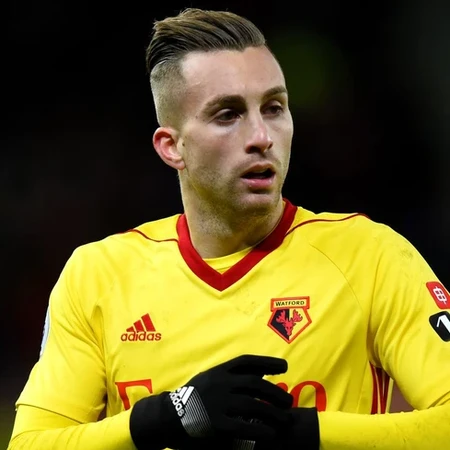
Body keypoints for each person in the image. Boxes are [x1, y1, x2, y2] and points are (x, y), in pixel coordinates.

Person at [7, 7, 450, 450]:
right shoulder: (97, 276)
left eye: (274, 108)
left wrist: (304, 433)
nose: (262, 136)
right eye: (228, 114)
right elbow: (31, 444)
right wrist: (164, 419)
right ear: (171, 147)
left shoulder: (370, 256)